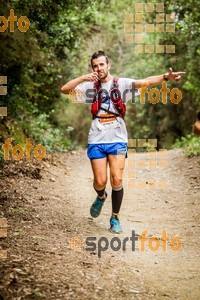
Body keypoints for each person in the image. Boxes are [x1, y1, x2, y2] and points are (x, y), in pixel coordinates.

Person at [60, 50, 185, 233]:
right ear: (92, 68)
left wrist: (166, 77)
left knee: (117, 178)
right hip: (97, 137)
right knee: (100, 182)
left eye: (102, 64)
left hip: (118, 137)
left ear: (108, 65)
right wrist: (82, 78)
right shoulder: (90, 88)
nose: (99, 68)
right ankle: (101, 197)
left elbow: (147, 81)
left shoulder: (122, 84)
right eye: (95, 66)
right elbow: (65, 90)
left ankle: (115, 218)